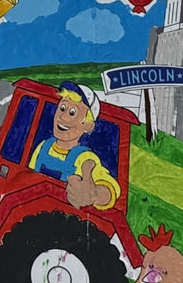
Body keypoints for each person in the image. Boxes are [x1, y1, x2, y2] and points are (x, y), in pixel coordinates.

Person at [28, 81, 119, 211]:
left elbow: (108, 188)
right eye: (62, 108)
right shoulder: (43, 147)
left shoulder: (85, 158)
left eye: (72, 112)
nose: (63, 117)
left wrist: (95, 195)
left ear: (87, 126)